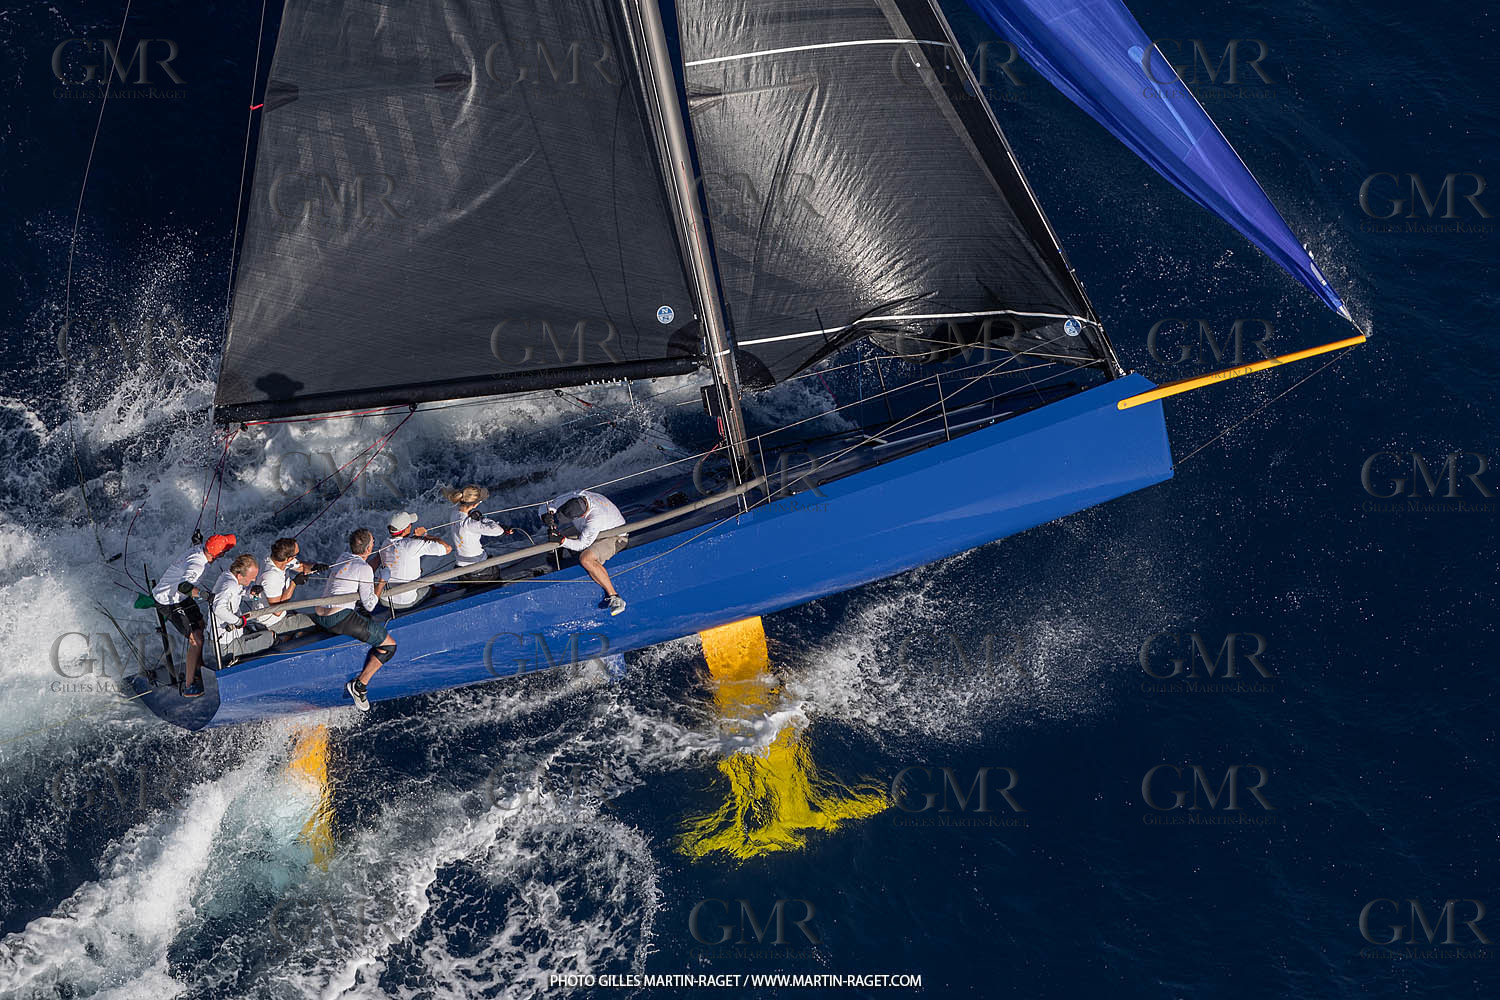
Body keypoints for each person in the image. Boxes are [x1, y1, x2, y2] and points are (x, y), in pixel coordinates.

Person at [312, 528, 396, 712]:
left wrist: (378, 560)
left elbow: (358, 570)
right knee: (389, 646)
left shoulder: (344, 557)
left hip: (320, 613)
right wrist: (381, 581)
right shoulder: (364, 569)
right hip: (337, 619)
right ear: (367, 549)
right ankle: (359, 686)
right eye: (373, 542)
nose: (374, 543)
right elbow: (370, 605)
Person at [151, 532, 237, 697]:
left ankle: (198, 665)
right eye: (225, 550)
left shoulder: (201, 549)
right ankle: (190, 686)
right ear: (217, 553)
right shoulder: (197, 566)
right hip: (169, 600)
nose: (226, 552)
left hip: (182, 597)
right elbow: (183, 586)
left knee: (200, 625)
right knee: (196, 640)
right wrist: (205, 595)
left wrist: (197, 541)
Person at [539, 490, 628, 616]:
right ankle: (555, 564)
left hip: (614, 536)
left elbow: (582, 544)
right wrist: (546, 515)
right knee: (559, 538)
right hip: (590, 530)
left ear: (580, 516)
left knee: (586, 559)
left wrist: (562, 541)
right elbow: (546, 506)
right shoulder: (575, 495)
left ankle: (615, 596)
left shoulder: (596, 518)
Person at [373, 511, 452, 609]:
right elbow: (447, 548)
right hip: (404, 602)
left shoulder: (385, 543)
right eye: (410, 524)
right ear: (407, 528)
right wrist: (425, 535)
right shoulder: (412, 545)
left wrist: (416, 539)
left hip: (385, 599)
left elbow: (402, 546)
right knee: (430, 589)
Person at [209, 554, 275, 662]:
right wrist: (238, 621)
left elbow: (239, 593)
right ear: (239, 576)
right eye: (252, 578)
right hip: (226, 646)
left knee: (260, 629)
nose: (254, 580)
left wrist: (251, 593)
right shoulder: (229, 585)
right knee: (271, 636)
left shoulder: (228, 577)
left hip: (230, 638)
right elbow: (218, 609)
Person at [443, 485, 514, 578]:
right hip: (479, 571)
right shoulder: (470, 524)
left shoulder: (454, 513)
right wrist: (481, 518)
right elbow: (498, 531)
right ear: (475, 504)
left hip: (460, 570)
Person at [257, 536, 323, 634]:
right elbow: (277, 611)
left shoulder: (277, 558)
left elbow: (301, 567)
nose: (296, 558)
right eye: (295, 555)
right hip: (273, 623)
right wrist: (294, 583)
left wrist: (314, 567)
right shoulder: (270, 577)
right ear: (288, 559)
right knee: (320, 622)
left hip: (284, 612)